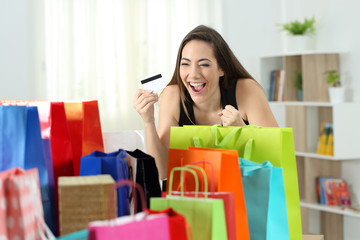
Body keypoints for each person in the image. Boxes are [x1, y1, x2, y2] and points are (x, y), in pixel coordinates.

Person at [133, 25, 278, 179]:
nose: (193, 74)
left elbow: (275, 158)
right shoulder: (173, 95)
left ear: (221, 69)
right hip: (195, 197)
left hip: (245, 195)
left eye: (204, 64)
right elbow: (161, 173)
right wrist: (148, 121)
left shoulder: (247, 91)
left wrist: (242, 132)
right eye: (185, 63)